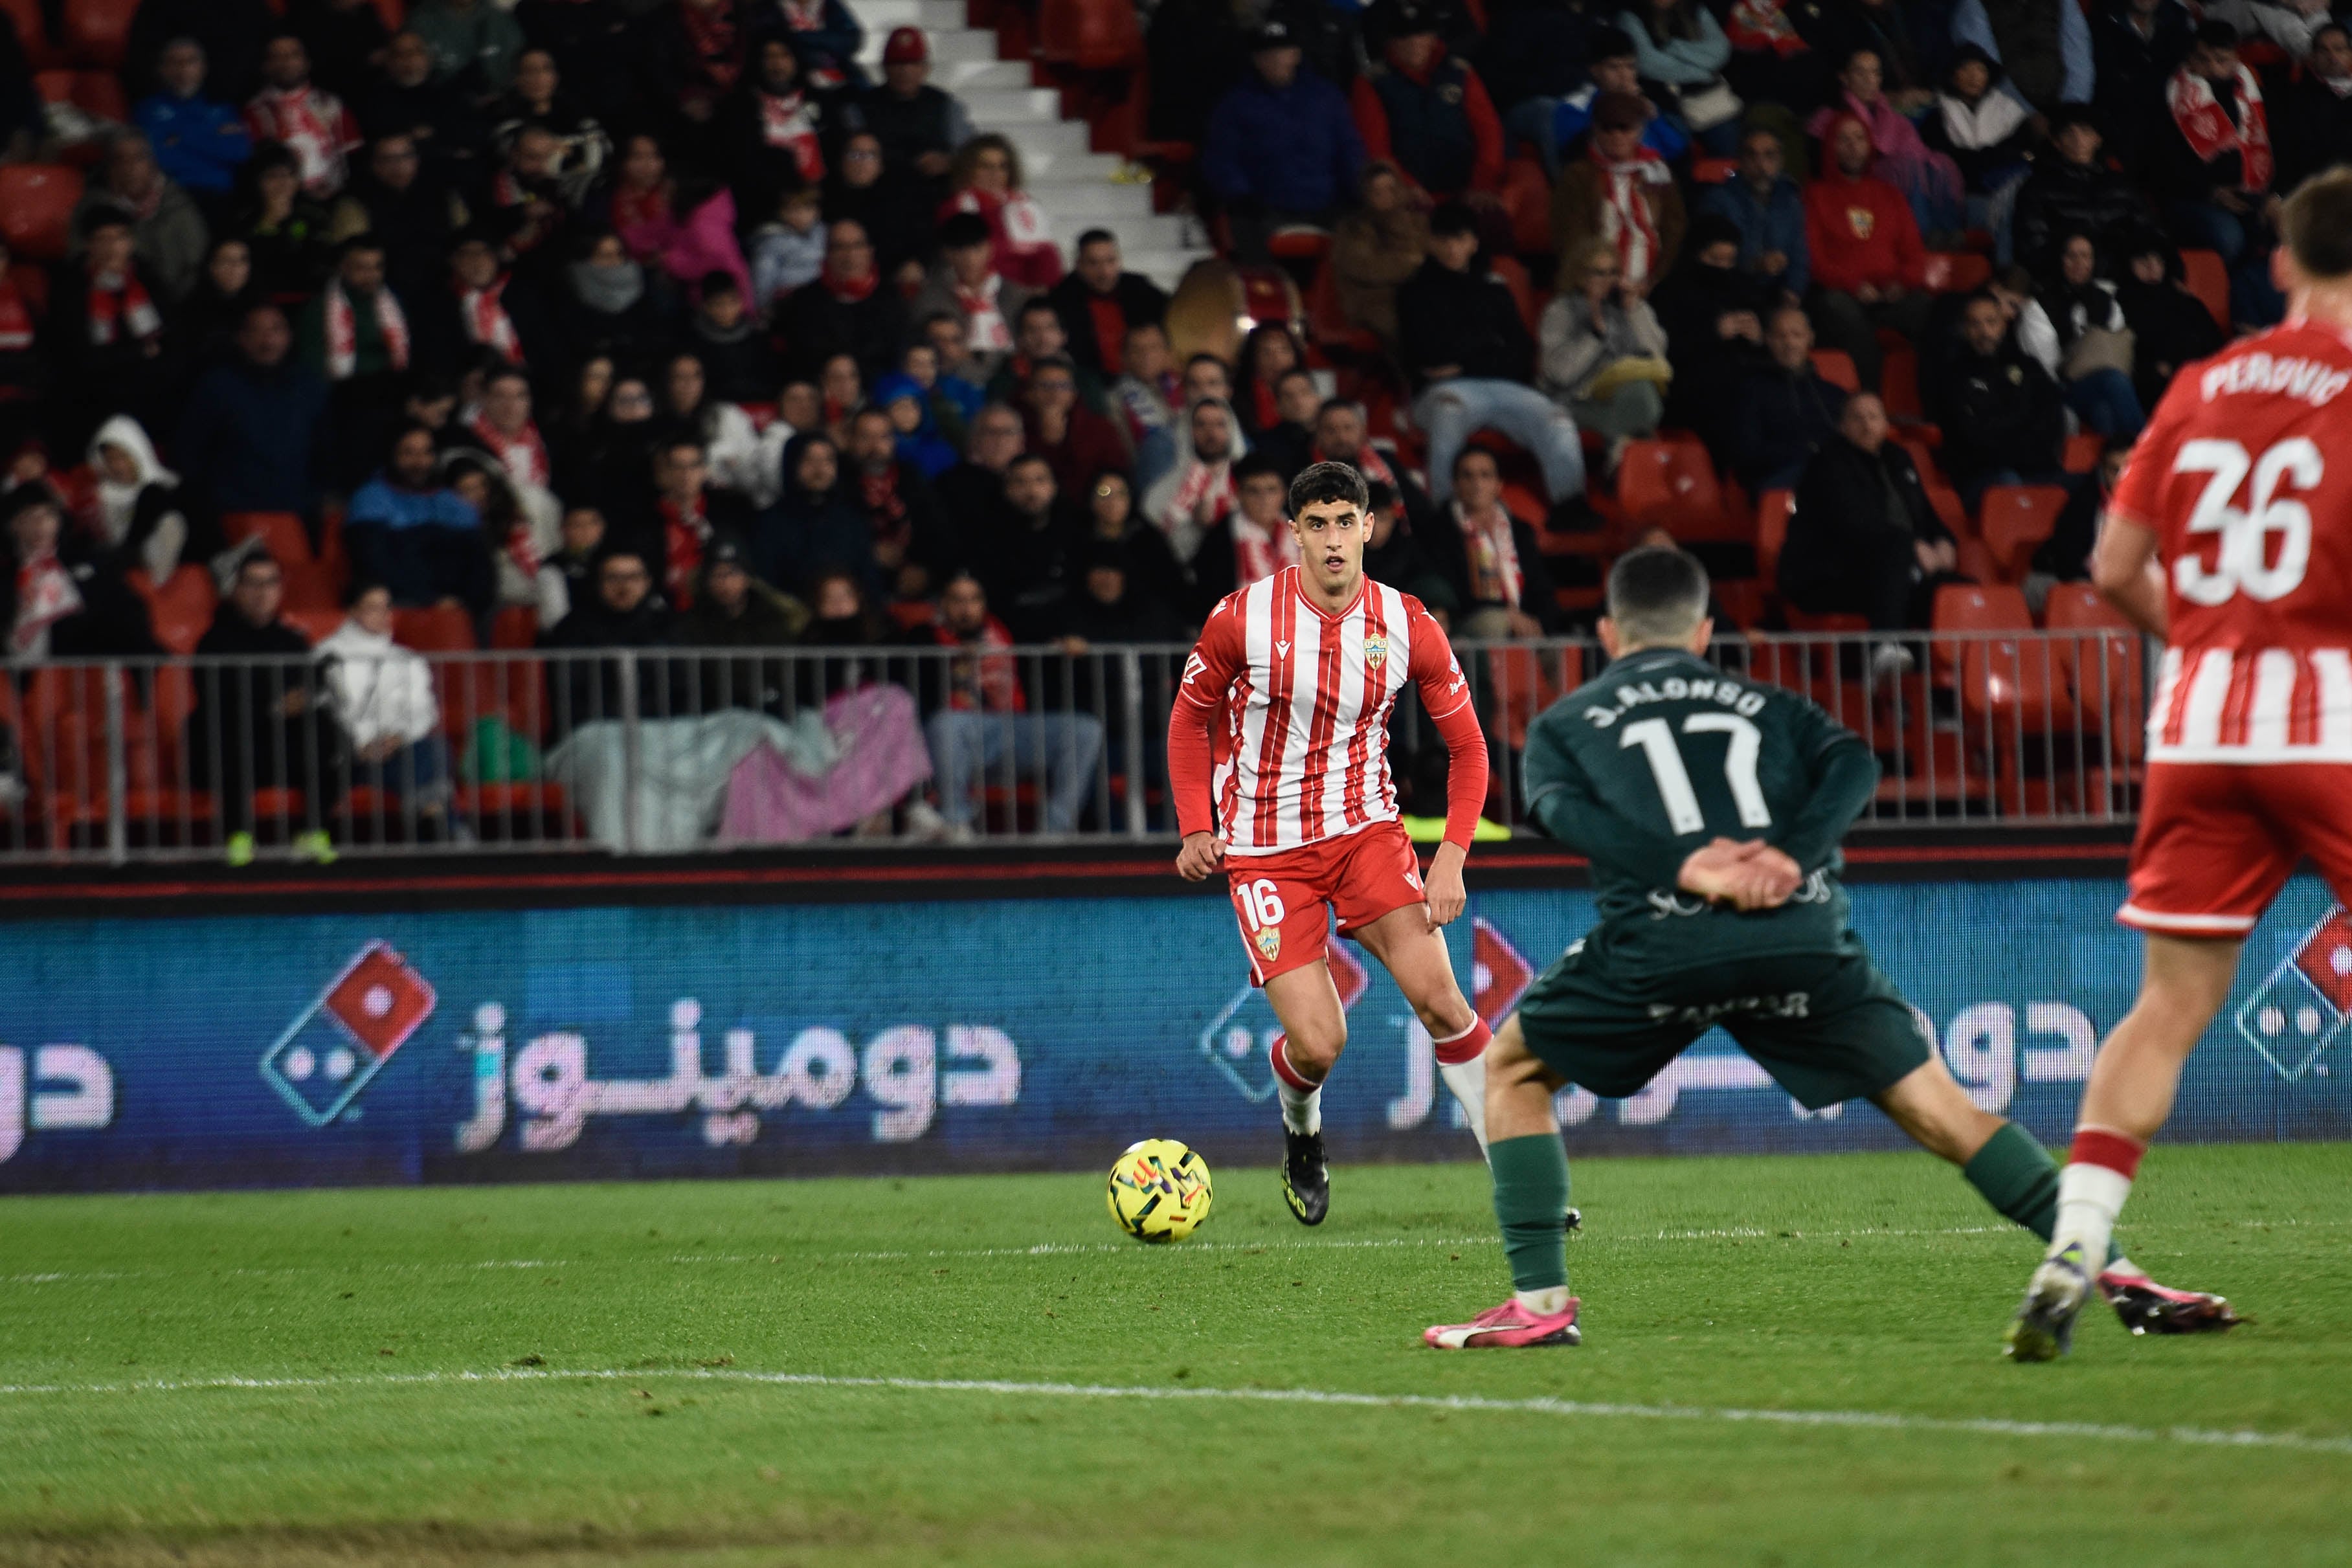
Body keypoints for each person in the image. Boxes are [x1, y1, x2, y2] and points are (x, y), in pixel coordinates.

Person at [1422, 543, 2231, 1349]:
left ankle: (1541, 1303)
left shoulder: (1567, 721)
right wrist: (1789, 857)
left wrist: (1687, 866)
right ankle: (2118, 1271)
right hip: (1800, 936)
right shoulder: (1769, 704)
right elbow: (1854, 763)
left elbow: (1558, 809)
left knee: (1514, 1069)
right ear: (1704, 632)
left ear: (1607, 632)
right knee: (1944, 1111)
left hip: (1664, 944)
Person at [1997, 170, 2352, 1356]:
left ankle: (2074, 1244)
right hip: (2326, 719)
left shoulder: (2201, 384)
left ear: (2281, 263)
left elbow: (2111, 567)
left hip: (2198, 724)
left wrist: (2201, 646)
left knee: (2167, 1004)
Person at [1169, 460, 1493, 1224]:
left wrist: (1451, 856)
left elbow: (1470, 748)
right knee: (1318, 1044)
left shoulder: (1407, 623)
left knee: (1445, 1003)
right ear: (1295, 534)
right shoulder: (1242, 618)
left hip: (1365, 835)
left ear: (1369, 527)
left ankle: (1524, 1182)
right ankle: (1302, 1132)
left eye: (1346, 522)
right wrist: (1194, 825)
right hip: (1265, 850)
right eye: (1317, 525)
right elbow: (1189, 720)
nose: (1334, 539)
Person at [1399, 203, 1589, 515]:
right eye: (1444, 240)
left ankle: (1571, 508)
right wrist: (1488, 344)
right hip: (1443, 392)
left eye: (1460, 239)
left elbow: (1521, 353)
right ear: (1431, 242)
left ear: (1473, 243)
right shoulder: (1414, 292)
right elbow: (1427, 355)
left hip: (1502, 386)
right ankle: (1445, 513)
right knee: (1448, 413)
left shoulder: (1495, 289)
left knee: (1557, 419)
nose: (1452, 248)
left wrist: (1464, 363)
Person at [919, 569, 1104, 838]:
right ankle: (956, 822)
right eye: (957, 600)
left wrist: (1068, 642)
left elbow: (1048, 635)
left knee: (1085, 729)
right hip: (962, 734)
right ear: (943, 604)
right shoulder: (924, 636)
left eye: (974, 600)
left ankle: (1056, 828)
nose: (966, 608)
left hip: (1013, 729)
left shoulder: (1005, 626)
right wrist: (955, 656)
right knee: (946, 724)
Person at [186, 551, 341, 866]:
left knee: (330, 734)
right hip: (234, 743)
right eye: (253, 584)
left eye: (270, 583)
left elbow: (307, 686)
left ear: (280, 589)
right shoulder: (214, 642)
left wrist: (302, 700)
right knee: (223, 736)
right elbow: (216, 700)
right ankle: (239, 835)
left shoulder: (292, 641)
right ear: (238, 589)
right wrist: (272, 708)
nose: (262, 593)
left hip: (281, 741)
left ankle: (312, 831)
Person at [1781, 392, 1956, 654]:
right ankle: (1883, 647)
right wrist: (1914, 545)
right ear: (1842, 426)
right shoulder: (1828, 462)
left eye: (1874, 417)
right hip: (1833, 575)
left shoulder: (1899, 459)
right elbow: (1856, 524)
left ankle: (1958, 670)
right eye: (1857, 418)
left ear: (1886, 424)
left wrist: (1945, 541)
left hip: (1898, 575)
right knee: (1896, 547)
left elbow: (1926, 516)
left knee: (1956, 589)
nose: (1867, 425)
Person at [1202, 21, 1367, 261]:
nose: (1277, 60)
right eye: (1268, 55)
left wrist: (1358, 189)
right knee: (1247, 239)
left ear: (1296, 54)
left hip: (1327, 203)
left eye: (1283, 52)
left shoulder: (1326, 97)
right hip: (1265, 208)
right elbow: (1221, 157)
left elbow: (1349, 148)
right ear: (1256, 60)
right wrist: (1240, 196)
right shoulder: (1235, 105)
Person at [315, 579, 460, 838]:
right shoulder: (328, 654)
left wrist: (397, 737)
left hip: (397, 750)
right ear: (354, 611)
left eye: (387, 607)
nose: (383, 615)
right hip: (351, 757)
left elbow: (424, 710)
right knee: (423, 770)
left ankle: (434, 824)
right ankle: (443, 830)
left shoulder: (406, 658)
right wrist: (364, 744)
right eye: (373, 608)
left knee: (436, 749)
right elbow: (335, 710)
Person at [2155, 22, 2278, 322]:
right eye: (2203, 59)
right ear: (2191, 58)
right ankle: (2234, 315)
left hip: (2250, 193)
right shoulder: (2172, 96)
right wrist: (2211, 193)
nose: (2211, 67)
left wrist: (2273, 195)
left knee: (2287, 226)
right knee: (2230, 236)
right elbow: (2160, 167)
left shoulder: (2253, 92)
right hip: (2191, 197)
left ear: (2235, 59)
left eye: (2220, 60)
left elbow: (2279, 147)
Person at [1805, 113, 1932, 392]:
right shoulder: (1815, 195)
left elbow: (1914, 254)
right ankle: (1870, 403)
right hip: (1841, 295)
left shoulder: (1890, 194)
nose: (1853, 146)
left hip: (1890, 295)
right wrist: (1854, 286)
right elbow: (1814, 261)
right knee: (1841, 311)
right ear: (1830, 146)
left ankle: (1929, 404)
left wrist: (1902, 283)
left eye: (1859, 138)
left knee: (1931, 311)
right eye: (1844, 139)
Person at [175, 304, 334, 526]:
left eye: (275, 330)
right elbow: (190, 452)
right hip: (231, 513)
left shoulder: (310, 386)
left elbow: (326, 450)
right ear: (241, 338)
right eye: (257, 331)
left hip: (297, 511)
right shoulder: (216, 386)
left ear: (289, 337)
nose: (267, 341)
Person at [1350, 2, 1506, 210]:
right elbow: (1375, 147)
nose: (1414, 42)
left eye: (1421, 34)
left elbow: (1489, 132)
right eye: (1404, 37)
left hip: (1469, 192)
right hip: (1409, 198)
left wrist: (1483, 183)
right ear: (1391, 42)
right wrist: (1406, 186)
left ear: (1433, 37)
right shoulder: (1373, 83)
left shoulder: (1460, 73)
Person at [1538, 239, 1671, 463]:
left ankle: (1623, 456)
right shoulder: (1561, 311)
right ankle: (1629, 453)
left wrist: (1634, 310)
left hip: (1624, 393)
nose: (1608, 280)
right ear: (1580, 276)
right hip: (1573, 400)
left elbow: (1657, 356)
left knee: (1643, 393)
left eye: (1613, 272)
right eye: (1599, 273)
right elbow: (1558, 374)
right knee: (1642, 405)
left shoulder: (1630, 307)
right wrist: (1595, 336)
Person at [1931, 291, 2068, 502]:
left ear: (2003, 325)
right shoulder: (1953, 375)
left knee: (2085, 484)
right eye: (1975, 324)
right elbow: (1970, 437)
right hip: (1982, 477)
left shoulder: (2028, 366)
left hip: (2035, 469)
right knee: (2009, 483)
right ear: (1965, 330)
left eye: (1991, 322)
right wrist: (2019, 430)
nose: (1984, 332)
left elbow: (2051, 419)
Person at [2, 486, 159, 666]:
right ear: (13, 525)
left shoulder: (89, 560)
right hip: (22, 669)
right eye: (30, 517)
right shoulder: (7, 576)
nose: (41, 525)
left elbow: (126, 612)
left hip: (86, 661)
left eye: (48, 515)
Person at [345, 425, 493, 612]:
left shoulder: (453, 502)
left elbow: (480, 566)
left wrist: (467, 604)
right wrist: (430, 600)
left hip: (459, 607)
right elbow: (374, 566)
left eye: (426, 453)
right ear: (392, 456)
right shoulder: (371, 499)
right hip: (401, 604)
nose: (420, 463)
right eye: (409, 453)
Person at [1552, 91, 1686, 298]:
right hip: (1595, 289)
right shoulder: (1578, 176)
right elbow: (1573, 239)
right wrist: (1608, 283)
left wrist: (1656, 280)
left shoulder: (1658, 172)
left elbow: (1674, 231)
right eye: (1607, 128)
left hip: (1654, 289)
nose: (1616, 136)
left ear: (1639, 130)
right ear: (1595, 130)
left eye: (1625, 128)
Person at [2026, 235, 2146, 441]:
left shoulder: (2106, 301)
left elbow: (2117, 347)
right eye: (2071, 256)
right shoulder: (2038, 307)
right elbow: (2048, 371)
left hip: (2101, 388)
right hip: (2061, 389)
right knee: (2113, 380)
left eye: (2085, 256)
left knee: (2103, 411)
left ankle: (2120, 460)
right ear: (2060, 259)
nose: (2079, 263)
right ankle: (2151, 449)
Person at [1527, 27, 1689, 178]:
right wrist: (1619, 108)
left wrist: (1654, 118)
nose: (1625, 76)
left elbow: (1676, 150)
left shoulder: (1642, 104)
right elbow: (1584, 154)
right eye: (1614, 68)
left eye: (1630, 67)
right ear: (1595, 70)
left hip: (1649, 182)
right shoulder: (1574, 107)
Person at [73, 132, 211, 305]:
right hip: (107, 305)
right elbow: (78, 264)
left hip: (179, 304)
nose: (129, 168)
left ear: (152, 163)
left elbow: (198, 264)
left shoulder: (180, 206)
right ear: (109, 168)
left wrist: (172, 306)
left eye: (138, 158)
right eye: (120, 160)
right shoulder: (91, 209)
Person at [1437, 446, 1562, 636]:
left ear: (1499, 484)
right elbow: (1452, 594)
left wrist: (1541, 622)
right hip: (1467, 625)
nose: (1477, 484)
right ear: (1455, 484)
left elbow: (1540, 585)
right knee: (1495, 622)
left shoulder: (1519, 531)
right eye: (1468, 476)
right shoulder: (1441, 531)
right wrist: (1507, 614)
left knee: (1556, 637)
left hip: (1523, 621)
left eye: (1485, 475)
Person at [2010, 106, 2149, 274]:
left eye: (2085, 132)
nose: (2078, 140)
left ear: (2098, 139)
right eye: (2069, 134)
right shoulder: (2037, 187)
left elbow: (2147, 234)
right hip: (2062, 280)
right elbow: (2032, 245)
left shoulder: (2122, 185)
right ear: (2057, 143)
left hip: (2121, 277)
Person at [846, 28, 972, 209]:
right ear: (884, 67)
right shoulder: (861, 107)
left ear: (926, 68)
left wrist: (948, 162)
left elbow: (971, 153)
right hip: (876, 198)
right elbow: (851, 157)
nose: (905, 71)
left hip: (935, 199)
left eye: (913, 63)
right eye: (897, 63)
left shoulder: (944, 105)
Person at [1726, 304, 1846, 493]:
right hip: (1781, 480)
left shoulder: (1834, 393)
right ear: (1768, 340)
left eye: (1796, 335)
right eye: (1781, 336)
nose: (1789, 343)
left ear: (1810, 338)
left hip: (1834, 476)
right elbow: (1746, 454)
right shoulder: (1750, 391)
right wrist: (1808, 451)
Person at [776, 218, 906, 383]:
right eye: (839, 247)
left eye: (857, 246)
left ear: (869, 252)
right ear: (827, 254)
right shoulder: (804, 302)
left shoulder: (891, 299)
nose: (849, 256)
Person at [909, 212, 1032, 381]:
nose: (970, 259)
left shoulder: (1015, 295)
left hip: (1012, 378)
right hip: (951, 381)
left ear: (990, 249)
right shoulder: (930, 299)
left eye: (976, 248)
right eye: (960, 251)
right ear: (947, 253)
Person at [1696, 124, 1810, 300]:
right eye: (1752, 155)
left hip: (1777, 292)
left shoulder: (1790, 200)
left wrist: (1793, 289)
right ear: (1741, 161)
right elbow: (1710, 260)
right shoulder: (1719, 199)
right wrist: (1755, 264)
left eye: (1769, 155)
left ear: (1780, 160)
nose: (1761, 164)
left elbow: (1799, 254)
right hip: (1731, 292)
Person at [135, 39, 254, 206]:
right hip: (172, 197)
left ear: (203, 68)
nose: (183, 68)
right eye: (175, 62)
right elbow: (157, 158)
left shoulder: (222, 109)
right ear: (162, 69)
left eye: (191, 61)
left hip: (222, 196)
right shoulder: (148, 110)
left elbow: (240, 151)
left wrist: (180, 139)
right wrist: (212, 136)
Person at [245, 33, 363, 199]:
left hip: (333, 197)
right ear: (266, 65)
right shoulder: (255, 110)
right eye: (277, 56)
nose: (286, 61)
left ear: (307, 62)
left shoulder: (331, 104)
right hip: (280, 201)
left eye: (293, 55)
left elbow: (353, 155)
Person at [939, 133, 1062, 289]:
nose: (995, 174)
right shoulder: (955, 208)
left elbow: (1045, 253)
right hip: (982, 290)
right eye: (985, 166)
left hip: (1030, 292)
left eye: (1002, 167)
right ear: (968, 170)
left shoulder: (1026, 205)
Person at [1618, 0, 1740, 157]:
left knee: (1728, 146)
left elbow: (1720, 50)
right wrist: (1702, 72)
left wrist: (1676, 48)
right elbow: (1649, 64)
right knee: (1676, 151)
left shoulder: (1695, 8)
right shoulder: (1630, 16)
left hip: (1707, 99)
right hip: (1662, 102)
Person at [87, 414, 198, 583]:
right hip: (124, 565)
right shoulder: (98, 496)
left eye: (123, 457)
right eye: (110, 460)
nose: (118, 466)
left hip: (171, 569)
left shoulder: (168, 487)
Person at [1330, 161, 1429, 350]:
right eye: (1378, 192)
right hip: (1374, 300)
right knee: (1409, 324)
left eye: (1391, 189)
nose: (1387, 196)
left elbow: (1432, 255)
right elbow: (1365, 266)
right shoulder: (1354, 229)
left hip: (1419, 292)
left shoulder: (1418, 222)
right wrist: (1411, 264)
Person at [1047, 232, 1170, 382]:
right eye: (1093, 263)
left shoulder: (1140, 290)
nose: (1104, 272)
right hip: (1086, 382)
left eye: (1110, 261)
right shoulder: (1062, 298)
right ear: (1079, 265)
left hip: (1142, 380)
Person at [1143, 397, 1247, 566]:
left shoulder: (1247, 480)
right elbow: (1153, 528)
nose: (1210, 433)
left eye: (1219, 424)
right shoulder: (1166, 486)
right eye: (1201, 425)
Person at [1951, 0, 2094, 115]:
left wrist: (2072, 112)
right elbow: (1986, 70)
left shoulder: (2064, 2)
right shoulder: (1973, 6)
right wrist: (2027, 115)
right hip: (2006, 113)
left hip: (2064, 108)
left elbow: (2078, 57)